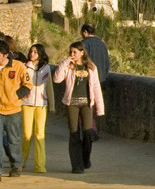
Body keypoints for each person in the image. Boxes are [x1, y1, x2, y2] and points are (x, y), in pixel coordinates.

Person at [0, 41, 29, 181]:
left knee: (13, 139)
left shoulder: (18, 66)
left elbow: (27, 85)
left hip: (13, 109)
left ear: (6, 55)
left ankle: (16, 164)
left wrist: (15, 96)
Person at [54, 41, 105, 173]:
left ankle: (85, 159)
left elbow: (96, 87)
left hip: (87, 104)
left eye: (75, 52)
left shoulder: (91, 67)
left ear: (82, 53)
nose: (72, 54)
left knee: (88, 133)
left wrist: (100, 108)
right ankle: (77, 165)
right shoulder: (69, 66)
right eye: (71, 52)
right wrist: (65, 63)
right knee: (74, 133)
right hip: (72, 104)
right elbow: (57, 79)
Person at [20, 43, 55, 173]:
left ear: (40, 53)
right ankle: (21, 162)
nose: (32, 54)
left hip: (41, 104)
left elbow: (49, 87)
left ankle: (40, 165)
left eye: (35, 52)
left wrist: (52, 105)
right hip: (26, 103)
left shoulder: (46, 68)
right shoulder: (24, 67)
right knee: (26, 134)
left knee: (40, 135)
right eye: (31, 51)